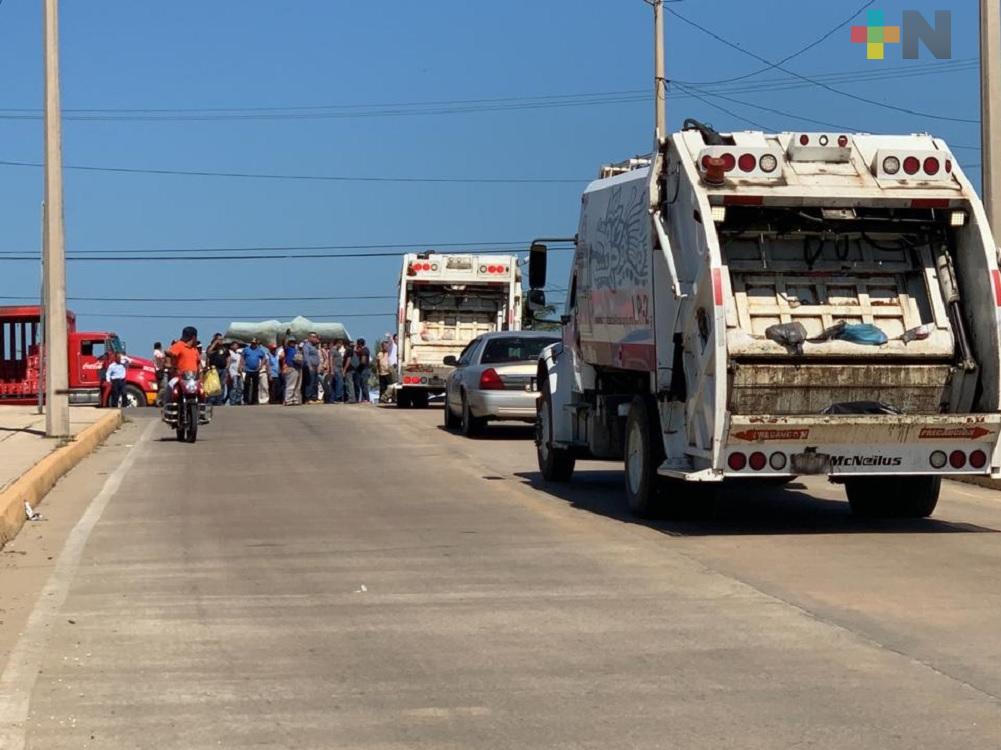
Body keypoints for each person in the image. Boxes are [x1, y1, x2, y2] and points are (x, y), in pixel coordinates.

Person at [240, 338, 267, 405]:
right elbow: (242, 357)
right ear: (251, 343)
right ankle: (246, 400)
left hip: (256, 370)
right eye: (252, 343)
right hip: (248, 370)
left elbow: (264, 357)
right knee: (246, 385)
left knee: (255, 386)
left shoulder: (259, 350)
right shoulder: (246, 349)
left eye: (255, 343)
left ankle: (254, 400)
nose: (253, 344)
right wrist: (242, 365)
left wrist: (261, 366)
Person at [206, 335, 230, 406]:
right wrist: (214, 344)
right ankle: (211, 401)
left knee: (222, 385)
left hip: (223, 369)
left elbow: (228, 356)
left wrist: (227, 366)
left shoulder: (224, 348)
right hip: (214, 369)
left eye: (222, 339)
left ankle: (219, 401)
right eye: (219, 339)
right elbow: (208, 353)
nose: (221, 341)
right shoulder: (212, 348)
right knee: (214, 385)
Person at [282, 335, 303, 405]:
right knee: (291, 385)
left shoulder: (296, 349)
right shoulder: (287, 349)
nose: (293, 343)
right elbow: (283, 343)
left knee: (297, 386)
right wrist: (287, 336)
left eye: (294, 342)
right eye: (291, 342)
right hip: (291, 368)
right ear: (288, 343)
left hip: (298, 367)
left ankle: (295, 399)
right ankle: (288, 400)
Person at [302, 332, 321, 403]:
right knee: (310, 382)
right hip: (310, 367)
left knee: (315, 383)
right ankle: (308, 398)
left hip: (315, 367)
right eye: (314, 337)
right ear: (309, 338)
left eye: (315, 337)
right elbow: (306, 356)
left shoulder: (314, 346)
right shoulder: (306, 346)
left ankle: (314, 398)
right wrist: (309, 366)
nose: (315, 338)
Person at [327, 339, 345, 403]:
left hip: (339, 368)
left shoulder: (337, 351)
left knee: (334, 384)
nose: (341, 345)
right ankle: (338, 397)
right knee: (339, 383)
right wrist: (332, 369)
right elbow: (331, 359)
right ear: (338, 343)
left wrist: (342, 370)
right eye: (340, 344)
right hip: (335, 368)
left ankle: (333, 398)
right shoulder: (333, 350)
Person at [354, 338, 372, 404]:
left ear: (359, 344)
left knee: (364, 385)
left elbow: (363, 361)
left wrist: (357, 367)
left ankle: (366, 399)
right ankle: (364, 399)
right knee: (363, 385)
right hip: (365, 369)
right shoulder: (365, 350)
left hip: (364, 370)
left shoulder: (364, 350)